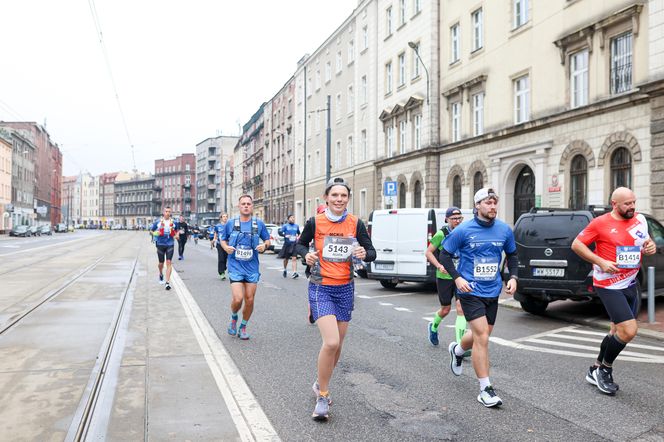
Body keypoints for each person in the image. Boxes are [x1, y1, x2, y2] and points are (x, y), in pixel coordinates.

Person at [295, 177, 376, 421]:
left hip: (345, 287)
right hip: (321, 286)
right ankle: (323, 396)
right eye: (335, 195)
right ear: (326, 198)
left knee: (338, 347)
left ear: (347, 199)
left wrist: (364, 253)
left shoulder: (355, 223)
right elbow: (299, 246)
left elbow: (371, 252)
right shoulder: (315, 222)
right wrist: (306, 255)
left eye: (343, 196)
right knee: (330, 342)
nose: (339, 199)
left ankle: (320, 382)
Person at [571, 187, 656, 395]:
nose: (632, 206)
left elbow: (644, 242)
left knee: (615, 331)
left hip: (630, 283)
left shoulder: (640, 220)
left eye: (634, 202)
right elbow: (576, 244)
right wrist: (600, 261)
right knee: (629, 330)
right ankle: (605, 370)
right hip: (609, 285)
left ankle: (594, 368)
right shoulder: (600, 223)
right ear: (614, 204)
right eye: (627, 203)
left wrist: (649, 245)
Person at [439, 188, 518, 408]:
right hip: (469, 290)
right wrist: (456, 279)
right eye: (488, 202)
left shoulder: (504, 229)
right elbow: (444, 254)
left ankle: (457, 350)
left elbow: (512, 254)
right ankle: (485, 389)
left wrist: (513, 277)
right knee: (482, 337)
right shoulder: (463, 230)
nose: (492, 206)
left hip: (492, 290)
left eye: (495, 202)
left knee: (479, 335)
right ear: (477, 206)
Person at [221, 196, 270, 340]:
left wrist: (264, 246)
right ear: (239, 206)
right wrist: (226, 247)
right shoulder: (231, 223)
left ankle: (243, 326)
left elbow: (267, 240)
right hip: (235, 266)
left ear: (252, 206)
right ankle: (234, 318)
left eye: (249, 204)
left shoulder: (258, 224)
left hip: (252, 268)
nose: (246, 206)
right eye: (243, 204)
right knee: (238, 298)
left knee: (249, 300)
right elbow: (222, 239)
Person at [424, 207, 468, 347]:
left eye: (459, 218)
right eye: (453, 218)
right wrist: (438, 265)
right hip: (444, 276)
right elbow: (429, 252)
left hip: (460, 277)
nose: (457, 221)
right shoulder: (441, 234)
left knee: (461, 308)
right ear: (447, 220)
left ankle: (460, 345)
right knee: (446, 309)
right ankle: (434, 326)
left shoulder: (465, 232)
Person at [150, 206, 180, 291]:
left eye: (169, 211)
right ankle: (160, 273)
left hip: (170, 244)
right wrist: (155, 233)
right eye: (166, 211)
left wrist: (177, 235)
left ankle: (167, 282)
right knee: (161, 263)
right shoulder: (158, 222)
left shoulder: (174, 222)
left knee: (169, 262)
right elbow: (151, 231)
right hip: (160, 244)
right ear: (163, 212)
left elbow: (177, 230)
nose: (168, 213)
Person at [278, 214, 301, 279]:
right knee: (286, 259)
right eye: (291, 218)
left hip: (294, 244)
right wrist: (285, 235)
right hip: (287, 244)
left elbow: (299, 233)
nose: (293, 219)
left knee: (294, 258)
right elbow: (280, 232)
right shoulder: (285, 226)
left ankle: (294, 272)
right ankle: (285, 269)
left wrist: (298, 237)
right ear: (288, 219)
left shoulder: (296, 226)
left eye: (293, 218)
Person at [213, 213, 229, 280]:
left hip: (227, 244)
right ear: (221, 218)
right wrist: (214, 239)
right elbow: (216, 233)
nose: (225, 218)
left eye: (226, 217)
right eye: (223, 217)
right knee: (221, 258)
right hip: (219, 244)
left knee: (225, 258)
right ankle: (221, 272)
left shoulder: (229, 225)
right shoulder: (218, 226)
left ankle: (224, 267)